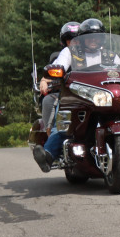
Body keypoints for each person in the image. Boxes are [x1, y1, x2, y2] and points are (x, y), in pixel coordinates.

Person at [32, 17, 109, 172]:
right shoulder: (69, 52)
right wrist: (45, 79)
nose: (93, 40)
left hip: (104, 96)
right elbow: (59, 65)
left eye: (96, 36)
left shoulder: (109, 55)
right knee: (64, 124)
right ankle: (48, 155)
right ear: (82, 39)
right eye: (89, 37)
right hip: (76, 96)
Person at [39, 21, 80, 133]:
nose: (74, 42)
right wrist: (44, 80)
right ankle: (50, 134)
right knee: (49, 100)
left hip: (93, 94)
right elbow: (57, 68)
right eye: (70, 40)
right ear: (65, 42)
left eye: (77, 39)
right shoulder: (67, 53)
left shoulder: (101, 53)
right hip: (68, 92)